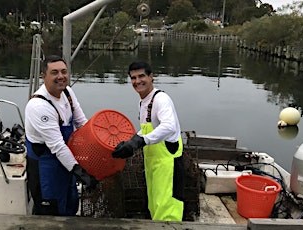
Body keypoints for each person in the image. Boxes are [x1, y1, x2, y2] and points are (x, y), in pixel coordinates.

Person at [24, 55, 98, 216]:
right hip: (46, 168)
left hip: (66, 163)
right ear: (44, 76)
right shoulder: (39, 106)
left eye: (64, 72)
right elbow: (57, 146)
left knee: (70, 204)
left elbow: (81, 123)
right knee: (51, 213)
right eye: (54, 72)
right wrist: (81, 173)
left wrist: (96, 148)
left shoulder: (68, 93)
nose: (60, 77)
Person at [112, 61, 185, 221]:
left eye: (142, 76)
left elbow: (169, 126)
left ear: (151, 77)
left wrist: (140, 140)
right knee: (154, 204)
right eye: (133, 78)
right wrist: (131, 142)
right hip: (153, 163)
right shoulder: (144, 102)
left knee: (167, 207)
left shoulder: (161, 99)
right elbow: (148, 129)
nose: (138, 81)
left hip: (168, 164)